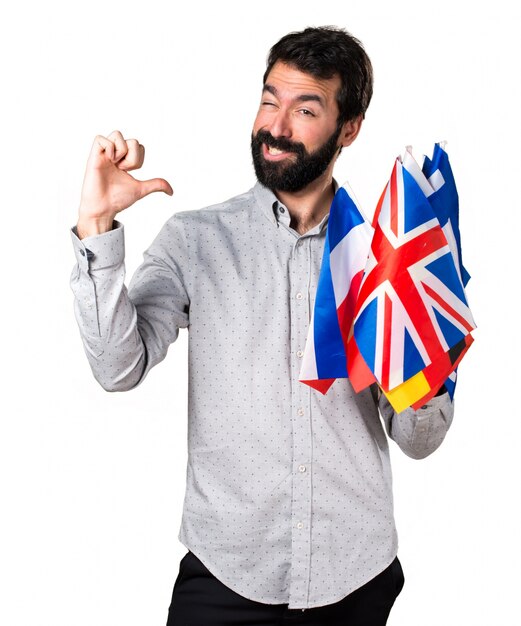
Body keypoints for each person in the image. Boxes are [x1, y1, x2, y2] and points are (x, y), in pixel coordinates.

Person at [70, 26, 454, 626]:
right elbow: (119, 368)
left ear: (348, 128)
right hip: (226, 573)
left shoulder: (386, 256)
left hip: (354, 575)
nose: (276, 126)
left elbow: (418, 439)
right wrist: (97, 227)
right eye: (269, 100)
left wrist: (432, 351)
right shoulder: (196, 241)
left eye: (305, 109)